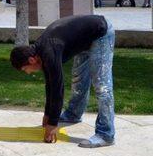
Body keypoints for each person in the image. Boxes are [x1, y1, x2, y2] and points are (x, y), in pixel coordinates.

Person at [10, 14, 115, 148]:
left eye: (25, 69)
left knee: (102, 86)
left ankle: (106, 134)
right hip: (85, 39)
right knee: (79, 80)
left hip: (100, 33)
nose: (28, 72)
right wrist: (48, 114)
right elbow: (50, 83)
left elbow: (58, 88)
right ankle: (73, 114)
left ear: (31, 60)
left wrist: (52, 124)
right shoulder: (40, 52)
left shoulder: (49, 53)